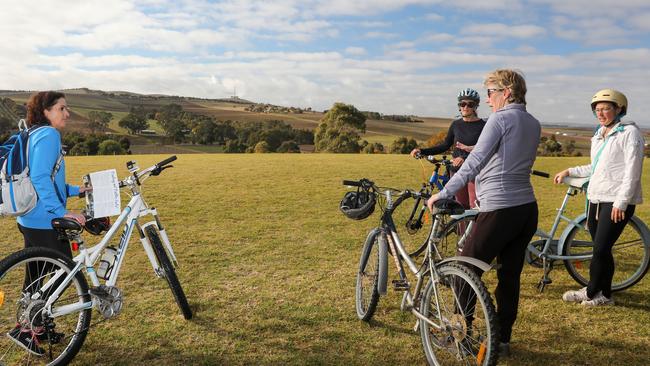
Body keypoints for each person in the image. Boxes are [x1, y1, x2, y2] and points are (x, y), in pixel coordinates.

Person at [426, 69, 541, 357]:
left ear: (506, 92)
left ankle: (462, 335)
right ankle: (501, 339)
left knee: (463, 271)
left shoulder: (500, 119)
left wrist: (444, 192)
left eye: (490, 92)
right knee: (509, 276)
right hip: (526, 209)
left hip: (499, 208)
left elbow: (474, 161)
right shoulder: (532, 121)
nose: (487, 99)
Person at [8, 91, 91, 355]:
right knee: (66, 272)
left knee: (35, 279)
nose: (67, 113)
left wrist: (78, 190)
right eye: (62, 108)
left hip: (29, 218)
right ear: (45, 111)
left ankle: (36, 329)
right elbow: (42, 178)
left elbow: (49, 181)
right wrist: (61, 213)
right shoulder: (49, 136)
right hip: (45, 220)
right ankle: (27, 328)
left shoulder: (33, 134)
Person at [555, 89, 644, 306]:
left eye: (606, 108)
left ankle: (591, 293)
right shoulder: (599, 133)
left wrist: (621, 202)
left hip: (615, 201)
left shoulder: (629, 133)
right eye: (597, 109)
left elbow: (633, 171)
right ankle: (603, 294)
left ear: (619, 109)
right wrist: (570, 170)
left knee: (600, 249)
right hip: (595, 199)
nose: (601, 113)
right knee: (601, 249)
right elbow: (595, 166)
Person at [410, 88, 486, 209]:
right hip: (456, 171)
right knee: (459, 207)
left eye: (470, 104)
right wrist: (422, 151)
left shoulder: (484, 126)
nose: (465, 107)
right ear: (459, 106)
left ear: (475, 106)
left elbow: (485, 149)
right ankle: (459, 228)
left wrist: (464, 158)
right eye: (462, 104)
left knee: (474, 207)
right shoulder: (456, 125)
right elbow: (445, 145)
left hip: (475, 173)